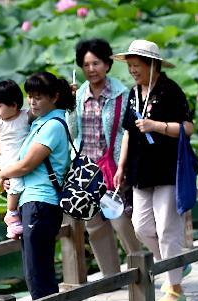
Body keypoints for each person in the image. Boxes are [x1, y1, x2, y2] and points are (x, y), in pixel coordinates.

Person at [112, 40, 194, 301]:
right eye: (130, 66)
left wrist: (155, 126)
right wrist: (121, 166)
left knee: (167, 228)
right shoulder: (133, 93)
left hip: (168, 169)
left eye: (137, 66)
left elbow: (188, 128)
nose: (133, 70)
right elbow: (127, 132)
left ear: (152, 65)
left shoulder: (170, 90)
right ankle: (176, 265)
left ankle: (175, 287)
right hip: (140, 170)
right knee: (142, 227)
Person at [0, 72, 73, 301]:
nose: (32, 101)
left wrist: (4, 173)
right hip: (35, 203)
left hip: (41, 204)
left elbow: (27, 164)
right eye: (30, 96)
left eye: (39, 96)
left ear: (54, 97)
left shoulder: (53, 125)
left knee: (37, 273)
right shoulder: (39, 123)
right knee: (41, 269)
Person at [70, 38, 141, 276]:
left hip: (112, 166)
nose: (91, 69)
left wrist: (124, 164)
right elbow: (73, 133)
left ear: (107, 64)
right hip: (86, 170)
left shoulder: (122, 94)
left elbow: (127, 132)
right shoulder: (79, 95)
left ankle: (142, 269)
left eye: (96, 63)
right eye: (86, 65)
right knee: (94, 226)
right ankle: (111, 277)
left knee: (120, 220)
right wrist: (69, 106)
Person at [0, 79, 29, 229]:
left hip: (24, 159)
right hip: (8, 160)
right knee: (16, 183)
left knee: (21, 185)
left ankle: (16, 212)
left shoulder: (26, 116)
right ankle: (11, 214)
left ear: (14, 105)